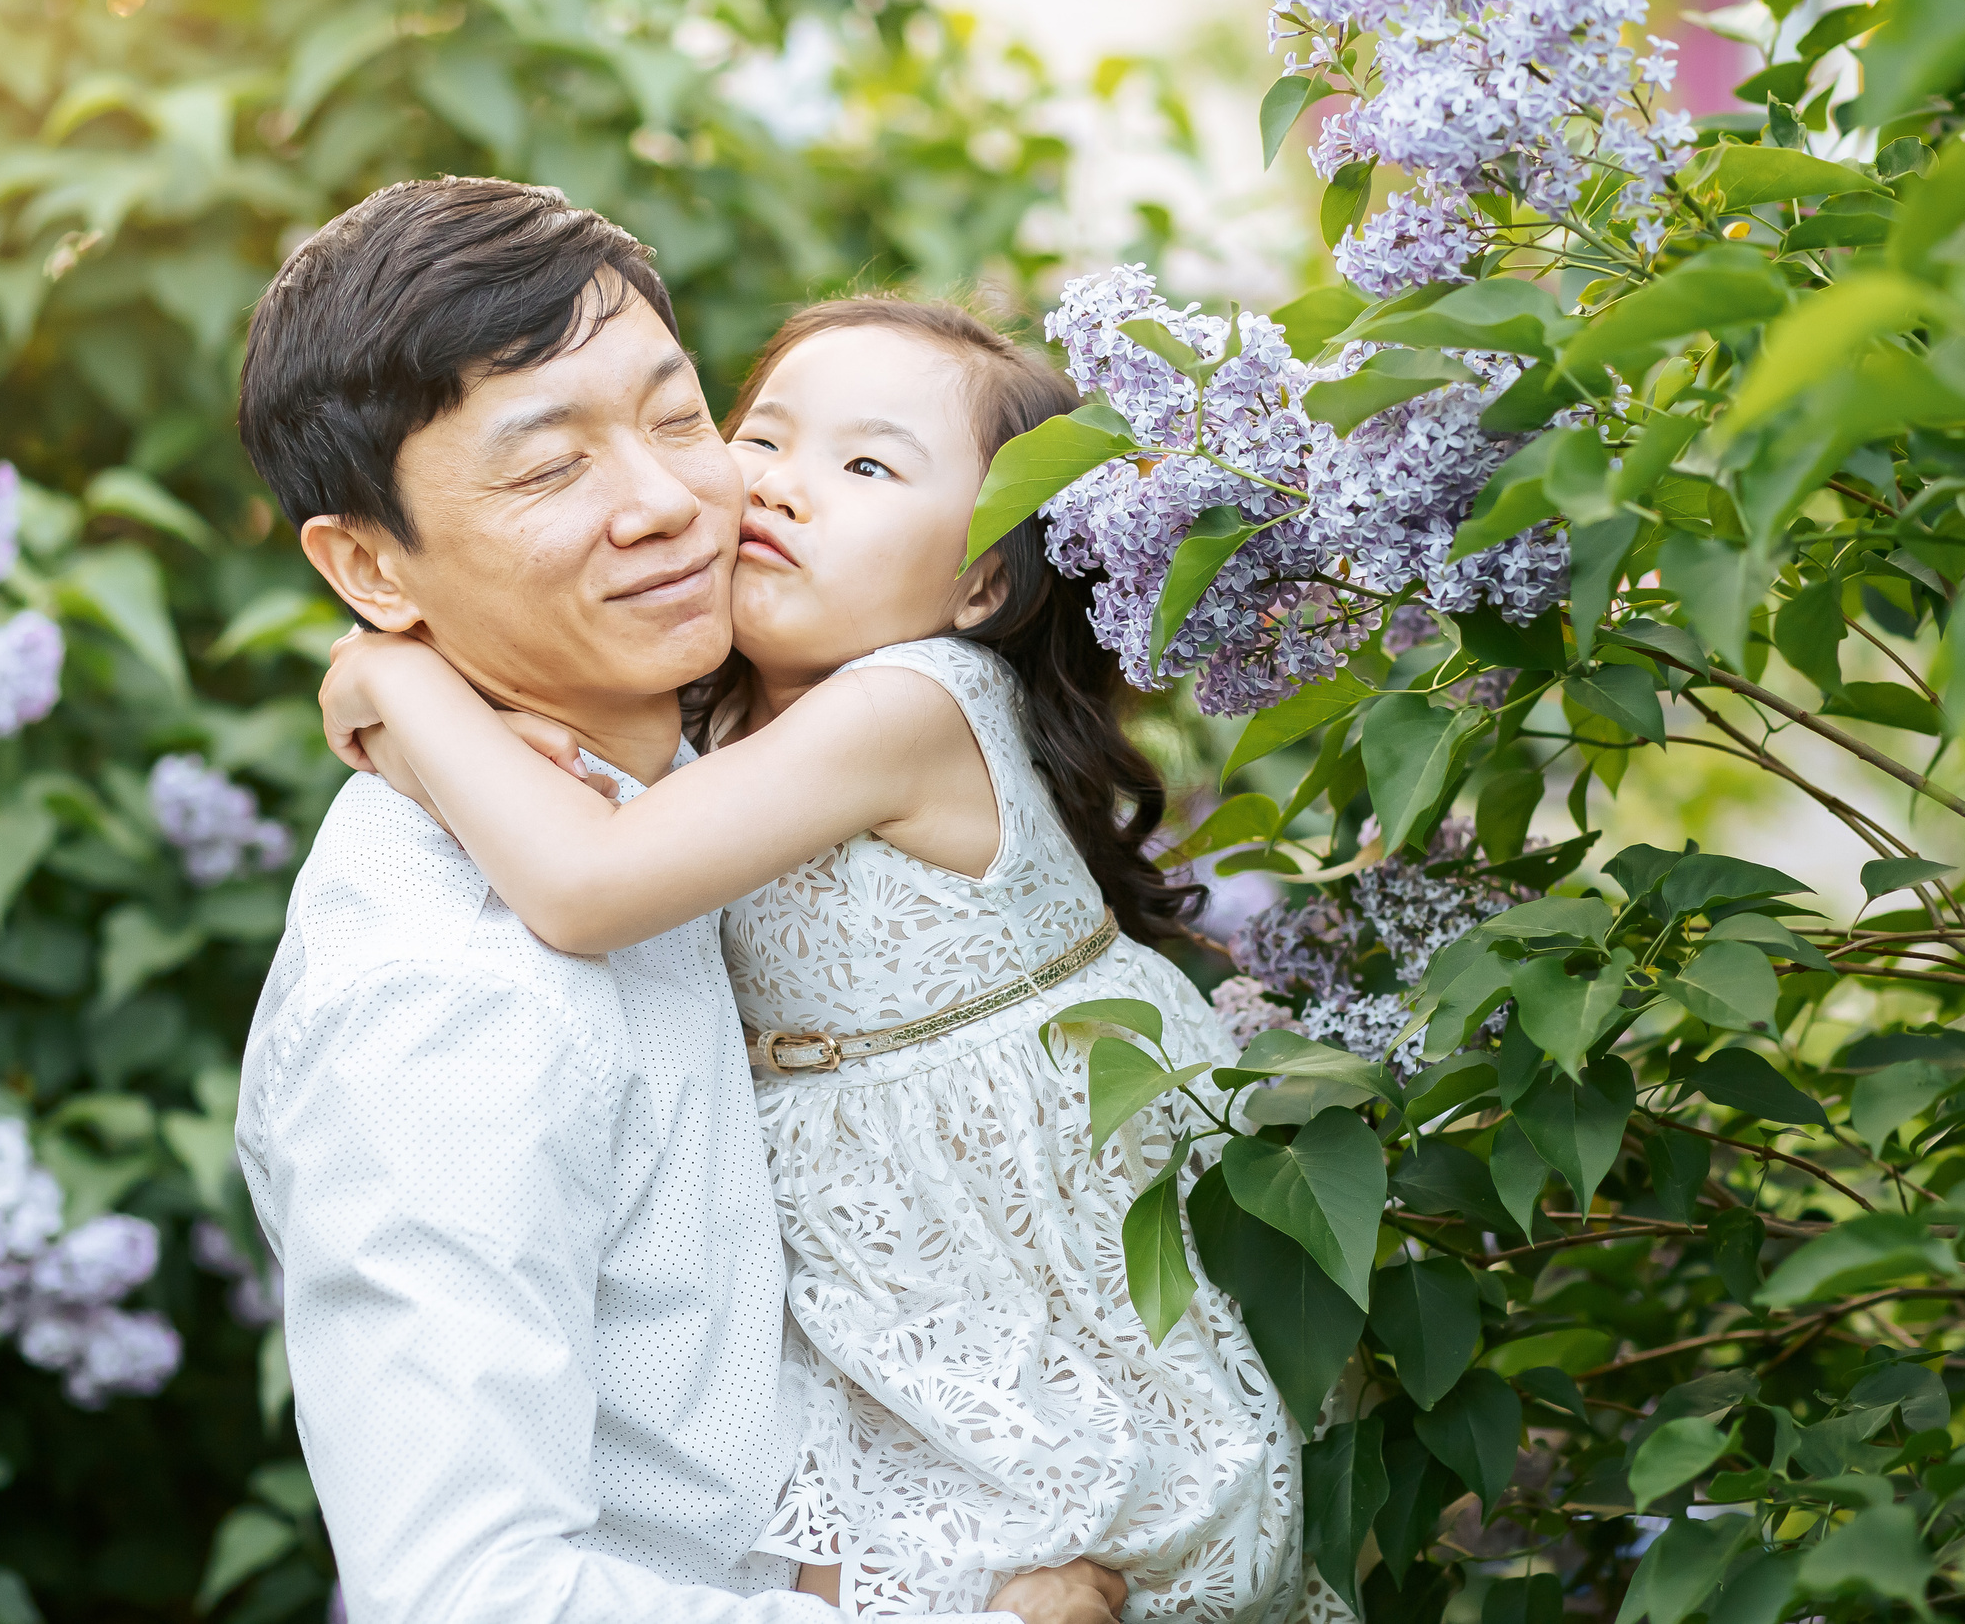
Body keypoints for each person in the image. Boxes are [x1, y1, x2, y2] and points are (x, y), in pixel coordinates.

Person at [321, 296, 1308, 1619]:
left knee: (1062, 1568)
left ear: (979, 583)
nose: (780, 489)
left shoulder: (910, 703)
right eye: (758, 436)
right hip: (875, 1289)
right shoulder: (714, 691)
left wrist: (399, 685)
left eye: (867, 467)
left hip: (1012, 1286)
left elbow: (586, 883)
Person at [232, 177, 1127, 1624]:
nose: (672, 504)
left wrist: (389, 677)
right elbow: (468, 1596)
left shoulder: (720, 770)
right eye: (548, 470)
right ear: (366, 566)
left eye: (675, 417)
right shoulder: (440, 1004)